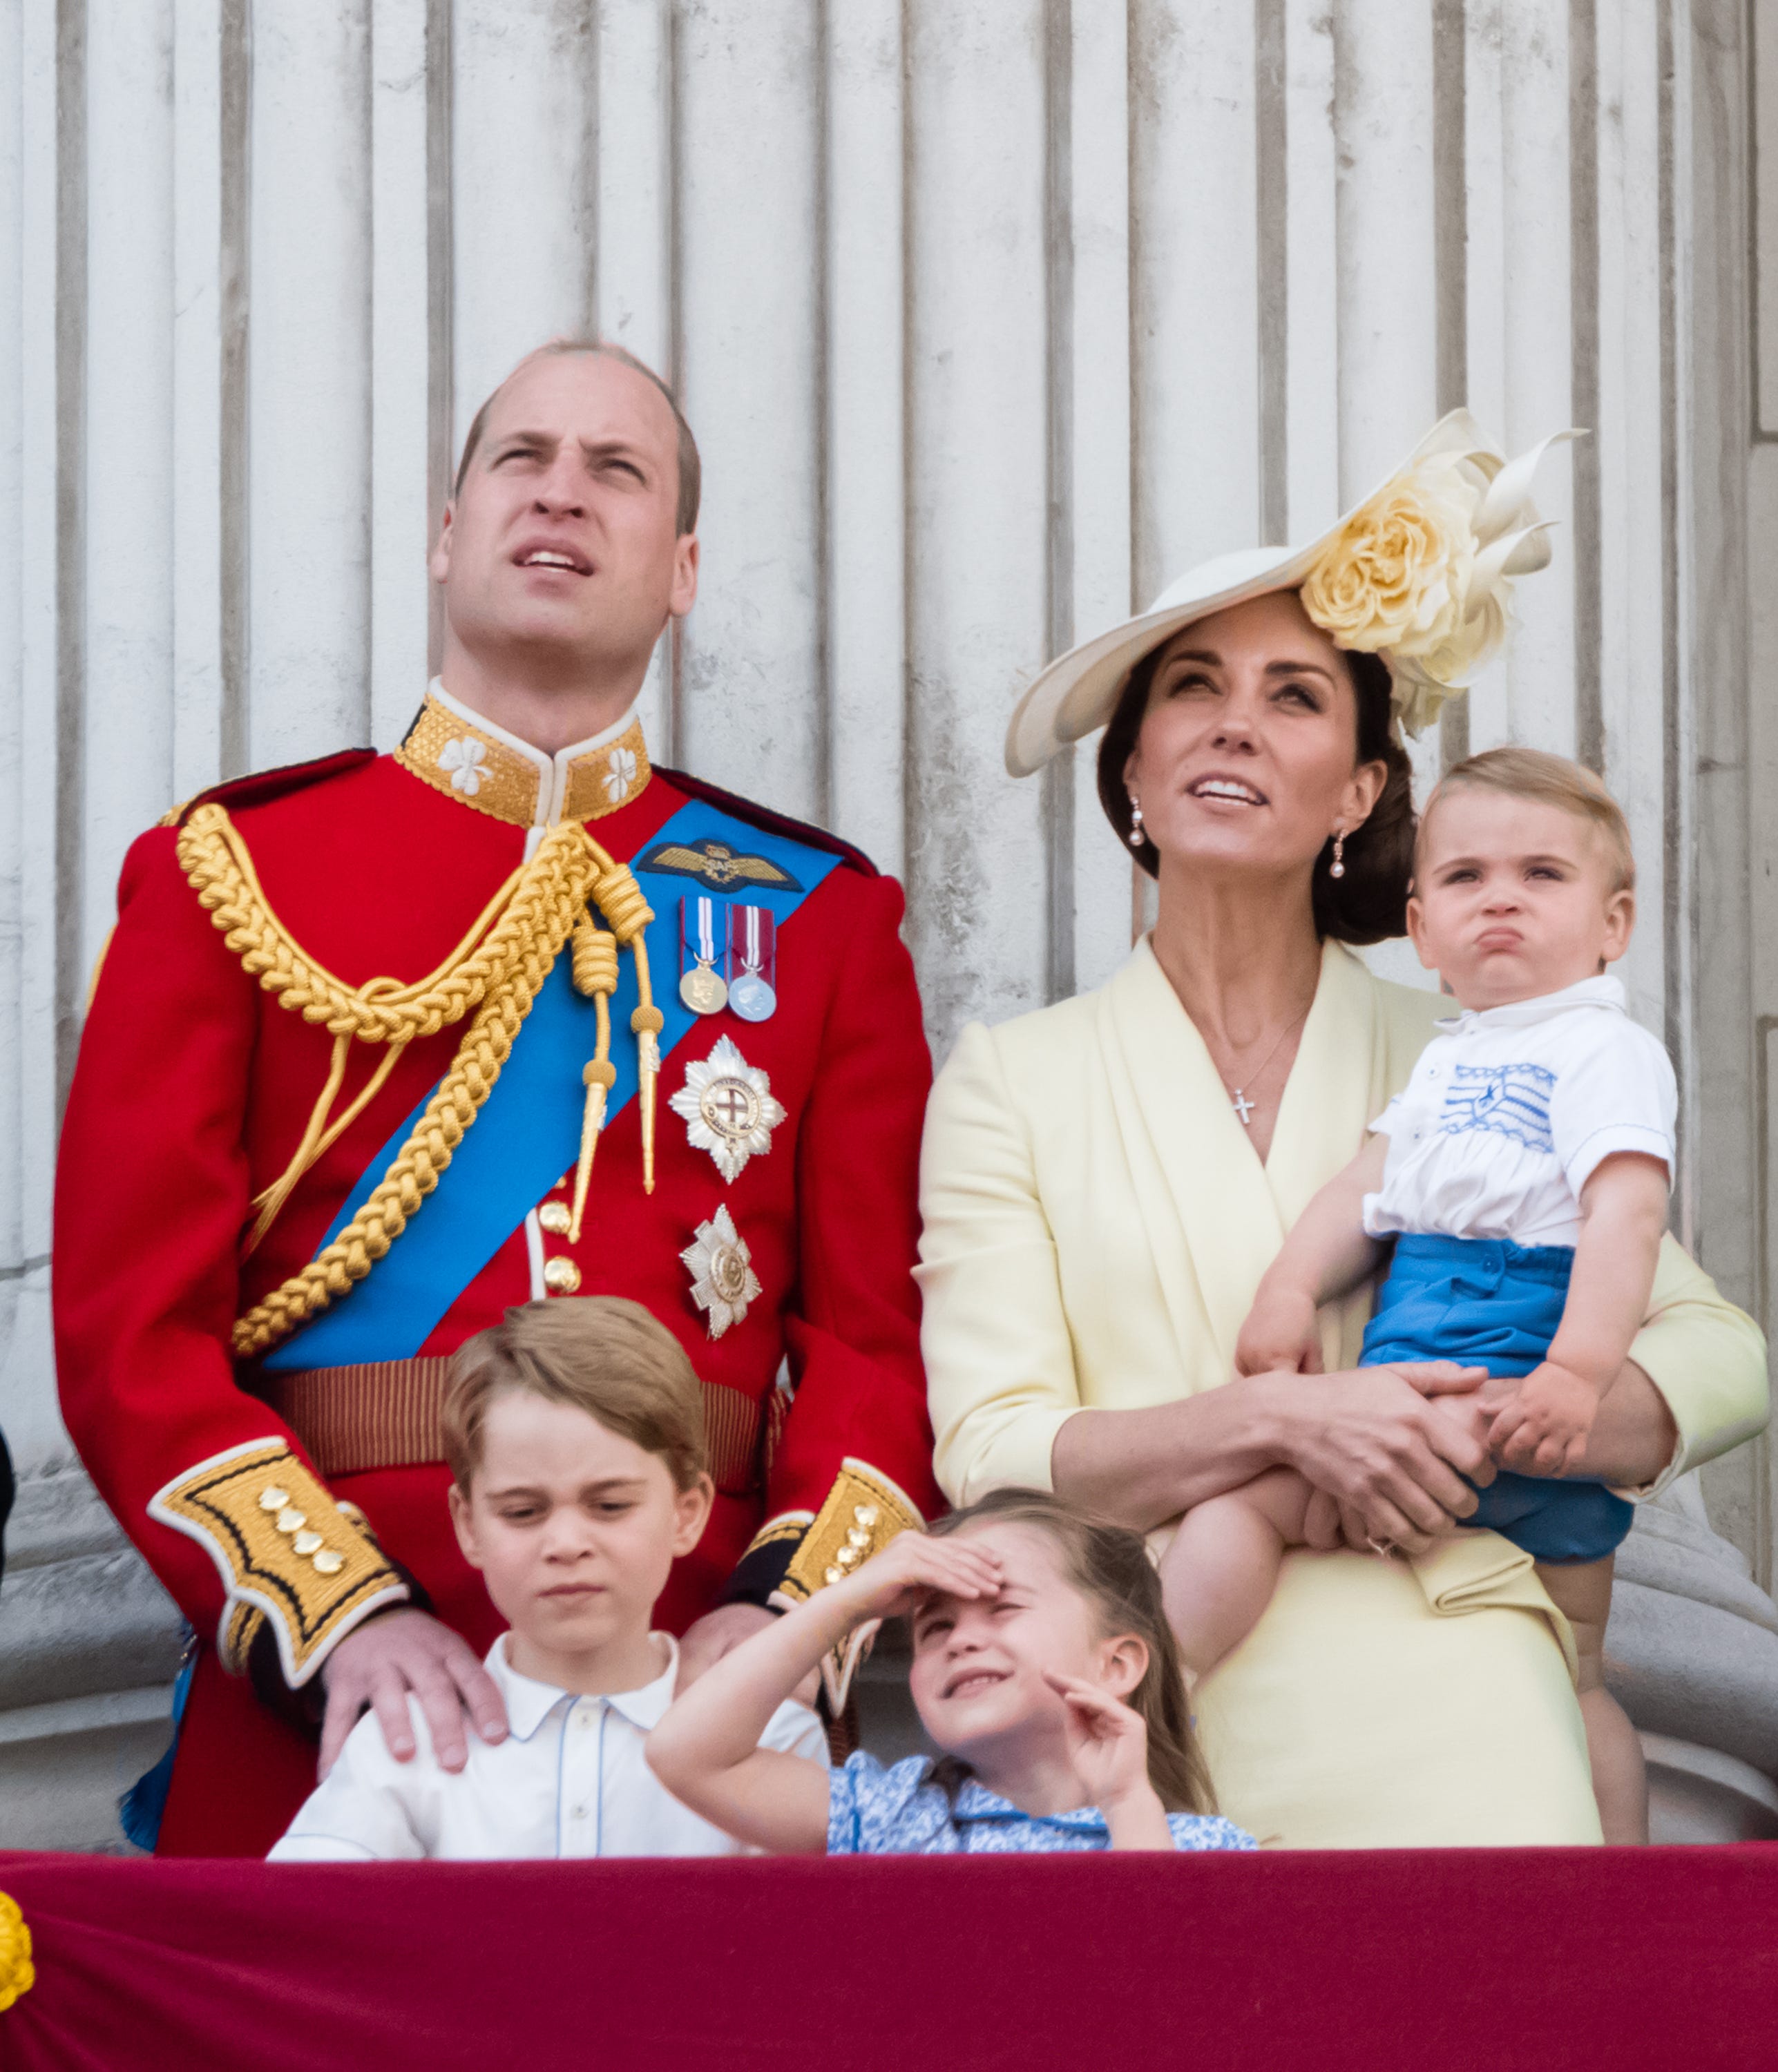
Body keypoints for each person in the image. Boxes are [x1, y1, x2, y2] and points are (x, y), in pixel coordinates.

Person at [53, 338, 940, 1856]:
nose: (563, 496)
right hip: (344, 1701)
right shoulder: (233, 870)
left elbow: (873, 1342)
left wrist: (783, 1620)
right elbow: (130, 1331)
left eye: (619, 472)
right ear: (446, 532)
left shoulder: (817, 917)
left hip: (705, 1704)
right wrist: (334, 1620)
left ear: (683, 569)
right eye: (520, 460)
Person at [918, 410, 1769, 1848]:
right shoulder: (1014, 1076)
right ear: (1133, 769)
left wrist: (1526, 1427)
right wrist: (1291, 1420)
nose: (1236, 720)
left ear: (1363, 791)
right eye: (1193, 688)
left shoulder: (1483, 1050)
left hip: (1461, 1660)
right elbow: (995, 1447)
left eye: (1296, 695)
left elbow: (1724, 1356)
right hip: (1156, 1705)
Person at [1161, 749, 1669, 1843]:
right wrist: (1290, 1291)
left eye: (1541, 875)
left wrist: (1575, 1375)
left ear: (1611, 924)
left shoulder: (1603, 1050)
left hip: (1505, 1343)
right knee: (1571, 1667)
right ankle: (1616, 1864)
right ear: (1421, 930)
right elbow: (1364, 1186)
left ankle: (1151, 1686)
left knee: (1248, 1503)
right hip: (1456, 1340)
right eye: (1465, 877)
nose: (1500, 897)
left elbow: (1626, 1217)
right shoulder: (1452, 1060)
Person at [269, 1298, 825, 1860]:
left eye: (609, 1505)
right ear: (468, 1524)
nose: (565, 1545)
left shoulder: (768, 1735)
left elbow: (803, 1938)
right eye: (522, 1512)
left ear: (687, 1512)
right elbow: (305, 1927)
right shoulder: (404, 1741)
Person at [646, 1486, 1255, 1855]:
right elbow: (685, 1755)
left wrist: (1126, 1804)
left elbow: (1177, 1991)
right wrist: (847, 1600)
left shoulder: (1202, 1850)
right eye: (934, 1626)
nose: (961, 1640)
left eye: (1005, 1608)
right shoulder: (890, 1818)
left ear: (1116, 1663)